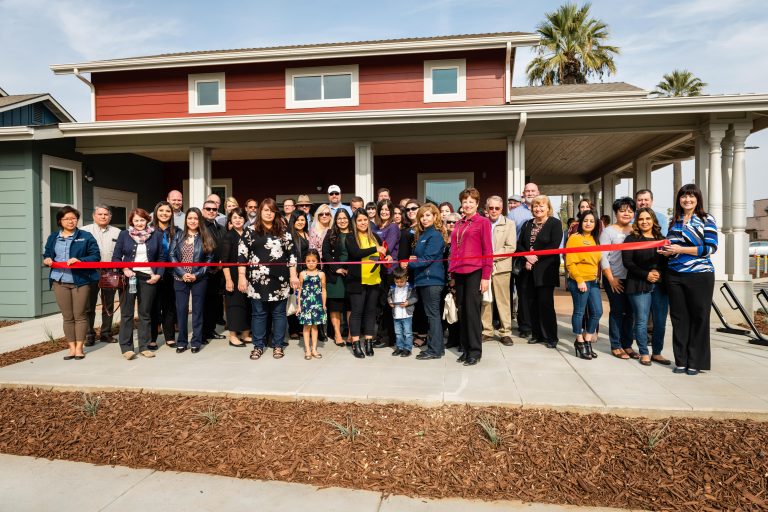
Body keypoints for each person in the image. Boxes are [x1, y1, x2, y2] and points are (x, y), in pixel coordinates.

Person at [660, 184, 717, 375]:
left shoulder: (706, 219)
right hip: (675, 275)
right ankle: (681, 361)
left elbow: (709, 248)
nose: (687, 200)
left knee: (699, 318)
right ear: (679, 199)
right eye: (684, 196)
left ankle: (695, 362)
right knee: (678, 319)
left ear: (698, 199)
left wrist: (680, 249)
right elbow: (671, 246)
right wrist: (666, 251)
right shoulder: (674, 221)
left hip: (700, 275)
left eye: (691, 197)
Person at [238, 198, 299, 361]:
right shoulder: (250, 230)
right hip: (257, 281)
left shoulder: (283, 231)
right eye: (266, 210)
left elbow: (292, 255)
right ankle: (258, 346)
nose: (269, 213)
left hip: (280, 280)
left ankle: (278, 345)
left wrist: (293, 275)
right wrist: (241, 277)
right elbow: (242, 254)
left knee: (279, 314)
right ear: (260, 212)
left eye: (272, 211)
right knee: (259, 314)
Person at [43, 206, 101, 360]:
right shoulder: (53, 237)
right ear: (60, 221)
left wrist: (80, 260)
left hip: (80, 281)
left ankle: (80, 348)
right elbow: (47, 253)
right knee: (67, 316)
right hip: (59, 280)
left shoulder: (85, 236)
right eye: (67, 218)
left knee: (80, 315)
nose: (71, 221)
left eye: (73, 218)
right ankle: (71, 348)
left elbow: (95, 256)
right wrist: (47, 259)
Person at [112, 208, 165, 360]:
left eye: (142, 220)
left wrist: (158, 275)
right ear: (131, 222)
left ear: (147, 220)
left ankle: (144, 346)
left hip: (148, 277)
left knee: (145, 314)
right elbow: (116, 257)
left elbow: (161, 258)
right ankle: (126, 348)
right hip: (130, 277)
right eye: (136, 220)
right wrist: (125, 268)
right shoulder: (124, 235)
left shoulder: (156, 235)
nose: (139, 223)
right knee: (127, 313)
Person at [449, 188, 493, 366]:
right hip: (458, 272)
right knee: (462, 311)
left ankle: (475, 351)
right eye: (464, 201)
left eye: (470, 201)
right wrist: (452, 274)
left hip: (475, 271)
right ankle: (465, 348)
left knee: (472, 312)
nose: (467, 204)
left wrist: (486, 276)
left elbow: (488, 251)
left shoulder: (482, 222)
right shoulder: (459, 223)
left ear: (476, 204)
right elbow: (454, 250)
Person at [623, 207, 670, 366]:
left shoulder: (662, 239)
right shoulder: (631, 239)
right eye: (641, 219)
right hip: (638, 284)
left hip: (660, 285)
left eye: (648, 219)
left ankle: (657, 353)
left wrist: (658, 273)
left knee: (660, 321)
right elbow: (628, 263)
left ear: (653, 221)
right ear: (637, 221)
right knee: (641, 321)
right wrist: (646, 274)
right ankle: (644, 352)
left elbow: (667, 262)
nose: (644, 222)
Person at [517, 195, 563, 349]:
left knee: (545, 304)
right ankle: (537, 334)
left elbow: (554, 245)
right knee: (532, 304)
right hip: (528, 271)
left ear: (548, 207)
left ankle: (551, 337)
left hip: (545, 270)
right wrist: (527, 257)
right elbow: (520, 244)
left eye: (541, 206)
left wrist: (534, 257)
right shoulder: (527, 224)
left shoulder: (555, 223)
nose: (538, 209)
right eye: (535, 206)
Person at [346, 209, 392, 358]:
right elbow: (356, 253)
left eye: (365, 219)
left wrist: (389, 255)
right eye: (359, 220)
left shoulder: (375, 237)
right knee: (357, 313)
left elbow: (385, 250)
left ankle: (368, 342)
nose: (363, 222)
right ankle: (355, 344)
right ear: (355, 222)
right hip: (357, 281)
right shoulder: (351, 237)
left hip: (374, 280)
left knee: (371, 312)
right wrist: (375, 249)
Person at [170, 208, 215, 353]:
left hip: (199, 279)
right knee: (181, 310)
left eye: (195, 218)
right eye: (190, 218)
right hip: (180, 278)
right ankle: (182, 341)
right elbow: (172, 255)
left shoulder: (205, 237)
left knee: (197, 311)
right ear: (186, 220)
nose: (192, 221)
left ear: (199, 220)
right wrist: (182, 273)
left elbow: (209, 259)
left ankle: (196, 341)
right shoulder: (178, 235)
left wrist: (197, 274)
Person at [408, 203, 447, 360]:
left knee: (433, 315)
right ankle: (437, 347)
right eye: (422, 216)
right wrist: (414, 259)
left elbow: (428, 259)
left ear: (435, 217)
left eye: (428, 215)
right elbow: (421, 257)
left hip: (432, 280)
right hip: (423, 279)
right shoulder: (424, 234)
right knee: (431, 315)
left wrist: (409, 263)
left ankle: (435, 350)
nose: (424, 219)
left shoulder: (435, 235)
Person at [601, 197, 637, 360]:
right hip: (614, 278)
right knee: (617, 310)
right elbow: (603, 257)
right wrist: (611, 279)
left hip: (633, 279)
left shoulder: (635, 231)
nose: (626, 213)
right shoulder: (608, 231)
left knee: (630, 312)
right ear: (616, 212)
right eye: (622, 210)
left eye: (630, 211)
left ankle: (627, 344)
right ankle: (616, 345)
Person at [565, 210, 603, 360]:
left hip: (593, 281)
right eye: (586, 220)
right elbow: (570, 262)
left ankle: (587, 340)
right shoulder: (575, 238)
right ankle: (579, 341)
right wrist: (579, 279)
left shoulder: (595, 239)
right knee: (580, 312)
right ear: (581, 222)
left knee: (597, 312)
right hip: (579, 280)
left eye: (592, 221)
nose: (588, 223)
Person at [81, 205, 121, 345]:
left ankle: (106, 333)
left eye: (106, 214)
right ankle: (89, 335)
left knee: (108, 305)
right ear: (94, 216)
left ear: (110, 216)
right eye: (100, 214)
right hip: (90, 271)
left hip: (110, 271)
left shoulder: (118, 232)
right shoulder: (84, 231)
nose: (103, 217)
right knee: (88, 305)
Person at [480, 196, 517, 346]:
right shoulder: (482, 223)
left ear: (502, 209)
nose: (494, 211)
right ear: (486, 209)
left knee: (503, 301)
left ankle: (505, 332)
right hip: (483, 268)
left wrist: (491, 256)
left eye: (497, 208)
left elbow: (510, 247)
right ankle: (487, 331)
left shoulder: (509, 224)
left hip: (501, 268)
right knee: (486, 300)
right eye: (491, 208)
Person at [509, 183, 538, 340]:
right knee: (524, 294)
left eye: (533, 191)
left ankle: (538, 325)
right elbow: (512, 238)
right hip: (521, 258)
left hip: (541, 260)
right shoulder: (514, 214)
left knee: (539, 294)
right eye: (527, 191)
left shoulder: (547, 210)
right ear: (523, 194)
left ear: (538, 192)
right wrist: (527, 255)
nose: (530, 193)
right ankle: (525, 326)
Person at [372, 199, 400, 348]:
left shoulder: (393, 227)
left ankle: (388, 338)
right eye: (381, 209)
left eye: (387, 210)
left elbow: (386, 248)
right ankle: (381, 335)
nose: (384, 212)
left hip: (389, 270)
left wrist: (373, 251)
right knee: (380, 305)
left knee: (387, 304)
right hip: (377, 271)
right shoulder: (376, 226)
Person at [149, 201, 177, 348]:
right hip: (153, 273)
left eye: (168, 211)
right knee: (154, 306)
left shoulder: (177, 231)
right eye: (161, 211)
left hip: (171, 273)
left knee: (169, 306)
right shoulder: (149, 231)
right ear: (155, 212)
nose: (164, 214)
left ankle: (170, 336)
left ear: (172, 214)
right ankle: (152, 337)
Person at [322, 209, 352, 347]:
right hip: (334, 277)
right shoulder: (330, 234)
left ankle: (352, 334)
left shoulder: (355, 233)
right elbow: (325, 254)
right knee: (335, 306)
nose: (342, 221)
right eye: (339, 218)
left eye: (345, 218)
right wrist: (336, 268)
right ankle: (337, 334)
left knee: (350, 306)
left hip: (351, 275)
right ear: (335, 220)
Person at [221, 207, 250, 347]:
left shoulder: (248, 233)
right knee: (234, 306)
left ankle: (245, 333)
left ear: (245, 219)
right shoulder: (228, 236)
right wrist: (228, 280)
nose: (238, 220)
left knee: (246, 304)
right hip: (232, 274)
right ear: (230, 220)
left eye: (240, 217)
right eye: (235, 218)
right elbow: (224, 261)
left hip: (246, 273)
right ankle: (232, 336)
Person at [201, 199, 226, 342]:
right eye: (208, 209)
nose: (211, 211)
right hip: (205, 271)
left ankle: (211, 330)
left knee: (214, 304)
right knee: (204, 304)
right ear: (203, 210)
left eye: (214, 209)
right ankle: (202, 333)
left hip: (219, 272)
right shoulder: (200, 227)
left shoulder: (221, 228)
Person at [297, 249, 327, 360]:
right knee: (306, 327)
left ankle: (314, 349)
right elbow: (299, 290)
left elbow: (323, 290)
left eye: (313, 261)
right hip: (306, 304)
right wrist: (299, 305)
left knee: (315, 327)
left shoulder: (321, 274)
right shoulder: (302, 274)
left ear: (317, 261)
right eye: (308, 261)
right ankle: (307, 350)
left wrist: (324, 304)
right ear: (305, 261)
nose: (311, 263)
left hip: (317, 304)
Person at [288, 211, 310, 340]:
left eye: (303, 220)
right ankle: (293, 329)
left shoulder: (306, 234)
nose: (301, 222)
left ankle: (301, 327)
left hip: (305, 271)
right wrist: (293, 272)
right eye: (298, 220)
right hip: (295, 271)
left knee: (302, 299)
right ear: (293, 221)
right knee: (293, 299)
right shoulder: (290, 235)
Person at [388, 266, 418, 357]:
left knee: (408, 333)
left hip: (407, 314)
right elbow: (389, 297)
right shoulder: (392, 288)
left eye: (401, 281)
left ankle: (408, 348)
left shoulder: (410, 287)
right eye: (397, 282)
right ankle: (399, 347)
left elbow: (415, 298)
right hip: (396, 314)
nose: (399, 283)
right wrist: (390, 302)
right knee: (398, 332)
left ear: (406, 278)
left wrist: (408, 302)